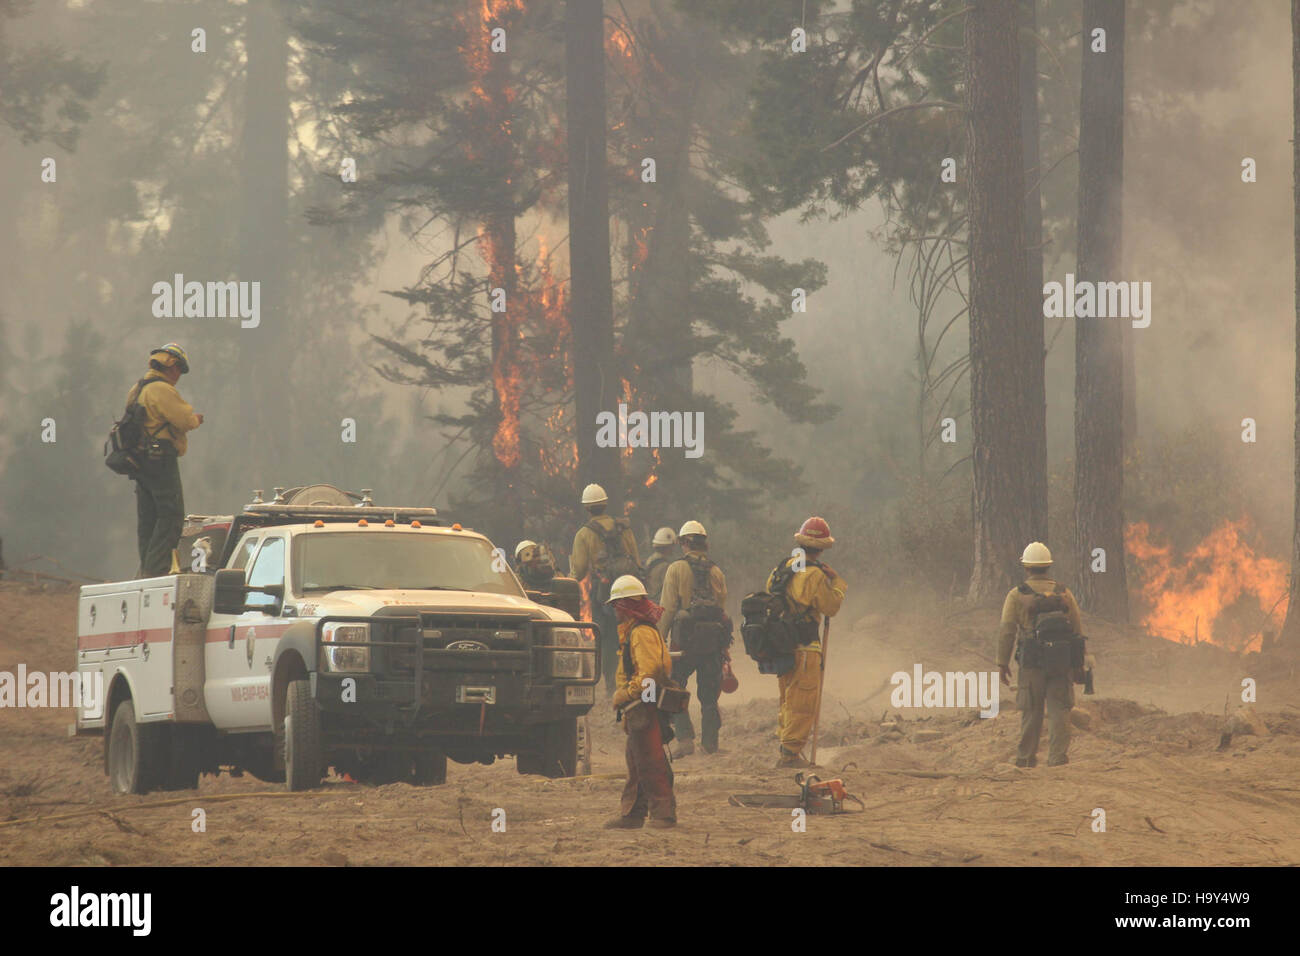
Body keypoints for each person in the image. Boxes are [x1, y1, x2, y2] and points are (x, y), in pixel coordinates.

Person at [767, 516, 846, 768]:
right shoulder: (814, 575)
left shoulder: (781, 569)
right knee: (804, 703)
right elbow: (830, 607)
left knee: (788, 700)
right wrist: (839, 583)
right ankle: (790, 755)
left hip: (782, 647)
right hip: (806, 648)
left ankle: (786, 748)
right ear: (821, 548)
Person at [997, 542, 1083, 768]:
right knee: (1060, 710)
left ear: (1026, 567)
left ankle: (1025, 759)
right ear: (1048, 566)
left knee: (1031, 711)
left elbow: (1007, 631)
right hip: (1061, 662)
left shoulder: (1016, 595)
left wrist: (1002, 663)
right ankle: (1057, 759)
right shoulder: (1064, 593)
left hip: (1031, 662)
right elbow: (1076, 630)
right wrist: (1077, 665)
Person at [604, 575, 676, 829]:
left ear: (625, 604)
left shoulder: (641, 632)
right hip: (641, 706)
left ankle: (662, 816)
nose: (614, 610)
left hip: (643, 705)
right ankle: (633, 814)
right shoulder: (638, 629)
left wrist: (623, 695)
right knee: (636, 761)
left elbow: (648, 673)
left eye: (616, 605)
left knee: (650, 761)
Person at [126, 343, 202, 577]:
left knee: (148, 519)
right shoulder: (161, 390)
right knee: (171, 515)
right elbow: (184, 419)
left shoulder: (137, 389)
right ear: (172, 366)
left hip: (140, 462)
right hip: (160, 460)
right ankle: (157, 570)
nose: (178, 375)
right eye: (179, 369)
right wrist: (196, 419)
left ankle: (146, 570)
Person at [657, 520, 728, 757]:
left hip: (683, 643)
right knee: (709, 695)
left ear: (684, 543)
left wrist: (658, 639)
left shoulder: (676, 569)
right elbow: (721, 609)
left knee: (675, 686)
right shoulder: (717, 571)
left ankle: (685, 739)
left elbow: (667, 608)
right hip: (712, 644)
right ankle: (710, 745)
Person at [569, 483, 643, 694]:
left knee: (607, 638)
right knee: (630, 634)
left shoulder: (584, 534)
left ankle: (612, 684)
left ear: (587, 508)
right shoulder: (623, 528)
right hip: (630, 590)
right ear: (605, 504)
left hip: (603, 594)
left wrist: (567, 580)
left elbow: (580, 570)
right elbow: (636, 560)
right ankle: (633, 677)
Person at [644, 526, 677, 601]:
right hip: (659, 604)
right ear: (668, 547)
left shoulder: (650, 560)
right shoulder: (665, 566)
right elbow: (669, 590)